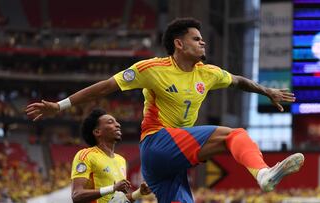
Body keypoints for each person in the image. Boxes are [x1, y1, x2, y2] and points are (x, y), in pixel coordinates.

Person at [26, 17, 304, 203]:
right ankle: (263, 174)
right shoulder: (151, 69)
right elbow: (105, 87)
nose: (203, 42)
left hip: (169, 164)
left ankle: (263, 174)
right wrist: (59, 106)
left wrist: (266, 91)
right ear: (178, 44)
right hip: (157, 143)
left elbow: (239, 81)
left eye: (202, 38)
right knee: (235, 135)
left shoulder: (208, 73)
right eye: (196, 39)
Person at [70, 108, 151, 203]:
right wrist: (112, 188)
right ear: (97, 132)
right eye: (110, 122)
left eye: (116, 122)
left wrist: (139, 193)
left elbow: (118, 200)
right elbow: (76, 195)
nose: (118, 125)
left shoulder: (121, 160)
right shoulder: (86, 155)